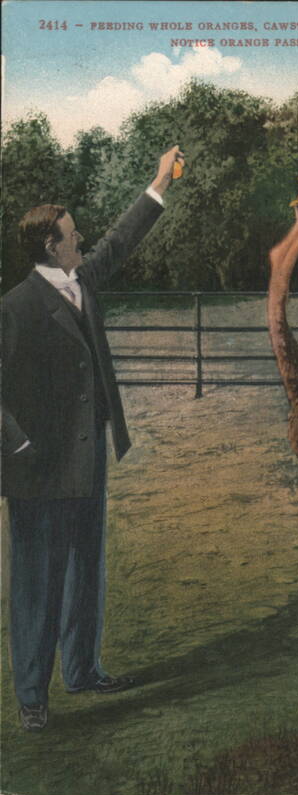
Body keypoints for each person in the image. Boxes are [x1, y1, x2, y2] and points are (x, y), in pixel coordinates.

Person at [2, 145, 184, 732]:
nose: (81, 240)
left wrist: (159, 183)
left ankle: (82, 671)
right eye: (72, 234)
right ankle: (33, 696)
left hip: (87, 460)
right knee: (37, 584)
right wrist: (19, 446)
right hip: (38, 470)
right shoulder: (15, 308)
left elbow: (120, 241)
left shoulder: (81, 278)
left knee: (86, 571)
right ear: (50, 246)